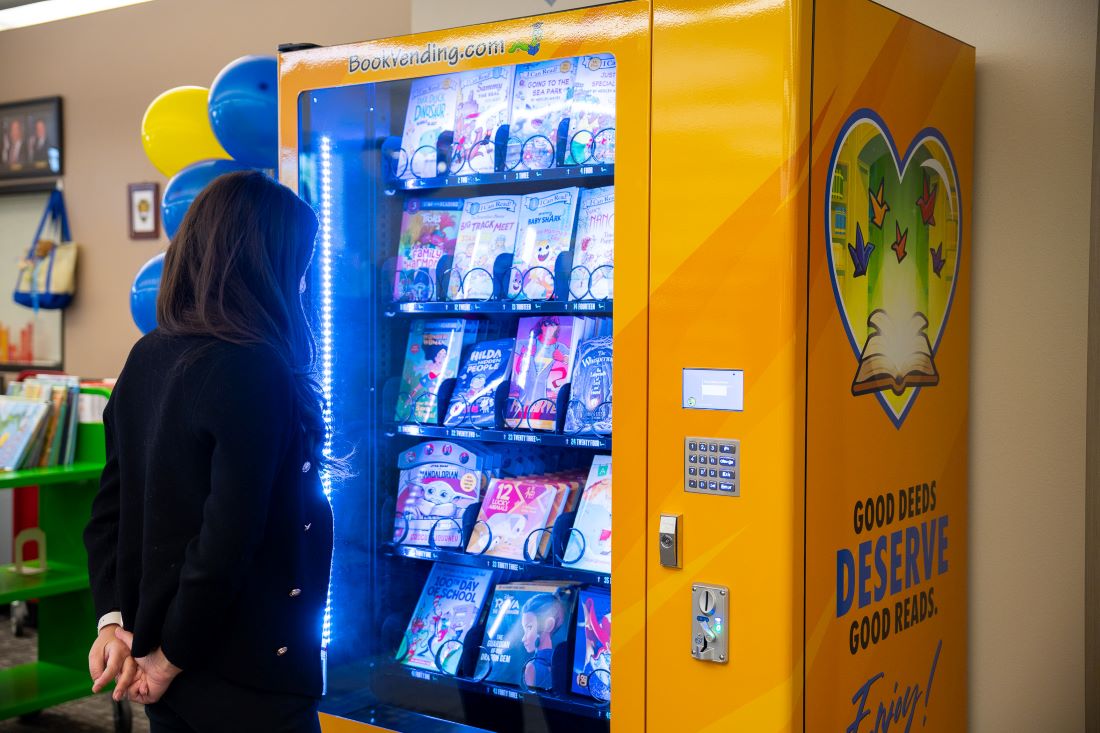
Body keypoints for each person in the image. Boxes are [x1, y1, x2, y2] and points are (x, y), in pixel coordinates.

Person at [83, 171, 333, 733]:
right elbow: (228, 537)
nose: (300, 286)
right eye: (298, 266)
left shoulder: (147, 354)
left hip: (167, 669)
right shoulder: (254, 365)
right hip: (244, 669)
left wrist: (114, 626)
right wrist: (170, 657)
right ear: (266, 265)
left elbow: (108, 515)